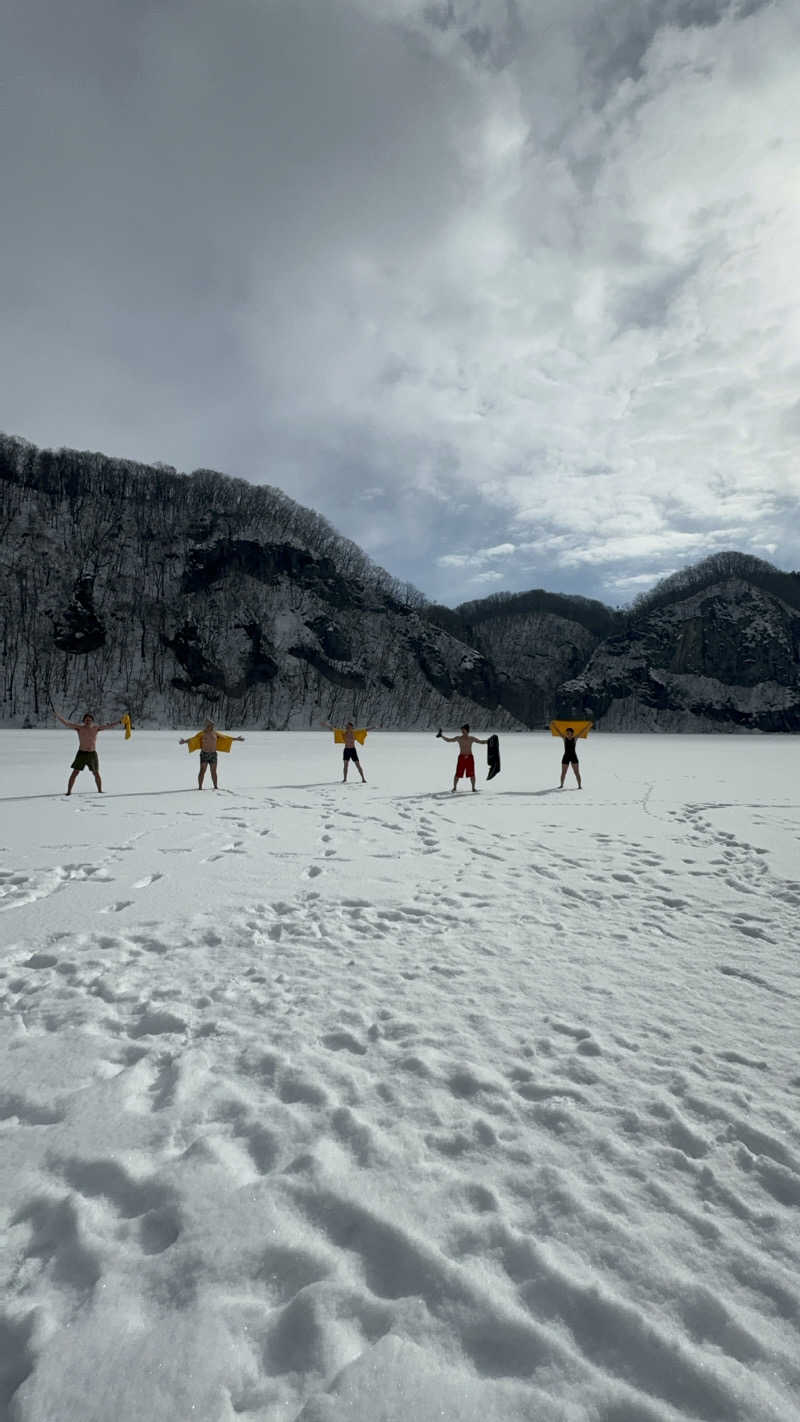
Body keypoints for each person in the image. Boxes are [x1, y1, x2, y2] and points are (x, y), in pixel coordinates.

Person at [54, 709, 124, 795]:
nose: (88, 721)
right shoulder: (79, 728)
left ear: (92, 721)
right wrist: (58, 716)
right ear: (83, 721)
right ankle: (68, 792)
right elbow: (67, 724)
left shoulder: (96, 728)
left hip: (92, 754)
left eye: (90, 720)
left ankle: (100, 790)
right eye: (86, 720)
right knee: (75, 773)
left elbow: (109, 726)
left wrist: (120, 721)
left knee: (96, 773)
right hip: (81, 753)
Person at [178, 720, 244, 789]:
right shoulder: (202, 733)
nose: (213, 727)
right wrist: (184, 741)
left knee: (213, 771)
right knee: (202, 770)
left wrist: (237, 739)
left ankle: (215, 786)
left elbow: (226, 738)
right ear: (207, 726)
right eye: (211, 726)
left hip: (213, 754)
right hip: (204, 754)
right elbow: (193, 739)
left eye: (213, 726)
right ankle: (200, 787)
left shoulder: (215, 733)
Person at [437, 723, 489, 793]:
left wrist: (488, 741)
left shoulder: (471, 738)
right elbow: (449, 740)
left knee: (472, 774)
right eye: (461, 730)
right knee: (458, 773)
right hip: (461, 758)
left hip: (470, 758)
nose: (462, 732)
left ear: (467, 731)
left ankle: (473, 788)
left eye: (463, 730)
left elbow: (481, 742)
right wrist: (442, 736)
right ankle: (454, 788)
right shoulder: (459, 738)